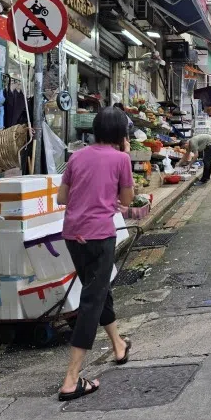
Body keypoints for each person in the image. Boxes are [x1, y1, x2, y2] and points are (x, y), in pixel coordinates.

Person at [56, 107, 134, 401]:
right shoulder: (121, 159)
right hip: (100, 236)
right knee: (92, 299)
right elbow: (127, 200)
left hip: (72, 235)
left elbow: (62, 197)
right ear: (120, 134)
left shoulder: (76, 156)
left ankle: (118, 346)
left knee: (99, 291)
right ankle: (71, 379)